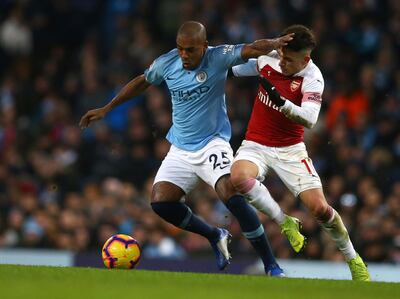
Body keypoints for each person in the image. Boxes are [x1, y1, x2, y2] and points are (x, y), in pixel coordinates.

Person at [79, 21, 294, 276]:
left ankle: (271, 265)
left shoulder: (218, 56)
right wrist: (107, 108)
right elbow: (141, 81)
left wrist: (275, 44)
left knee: (232, 195)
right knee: (161, 203)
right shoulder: (166, 62)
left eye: (190, 50)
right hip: (180, 149)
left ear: (204, 46)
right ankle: (215, 235)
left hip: (212, 143)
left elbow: (250, 49)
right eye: (181, 48)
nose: (184, 55)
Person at [229, 24, 371, 281]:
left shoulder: (312, 77)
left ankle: (354, 259)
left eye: (290, 59)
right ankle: (285, 221)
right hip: (256, 144)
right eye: (282, 55)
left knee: (320, 209)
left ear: (305, 58)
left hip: (290, 150)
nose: (283, 62)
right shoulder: (268, 59)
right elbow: (232, 69)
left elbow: (310, 119)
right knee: (238, 178)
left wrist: (283, 103)